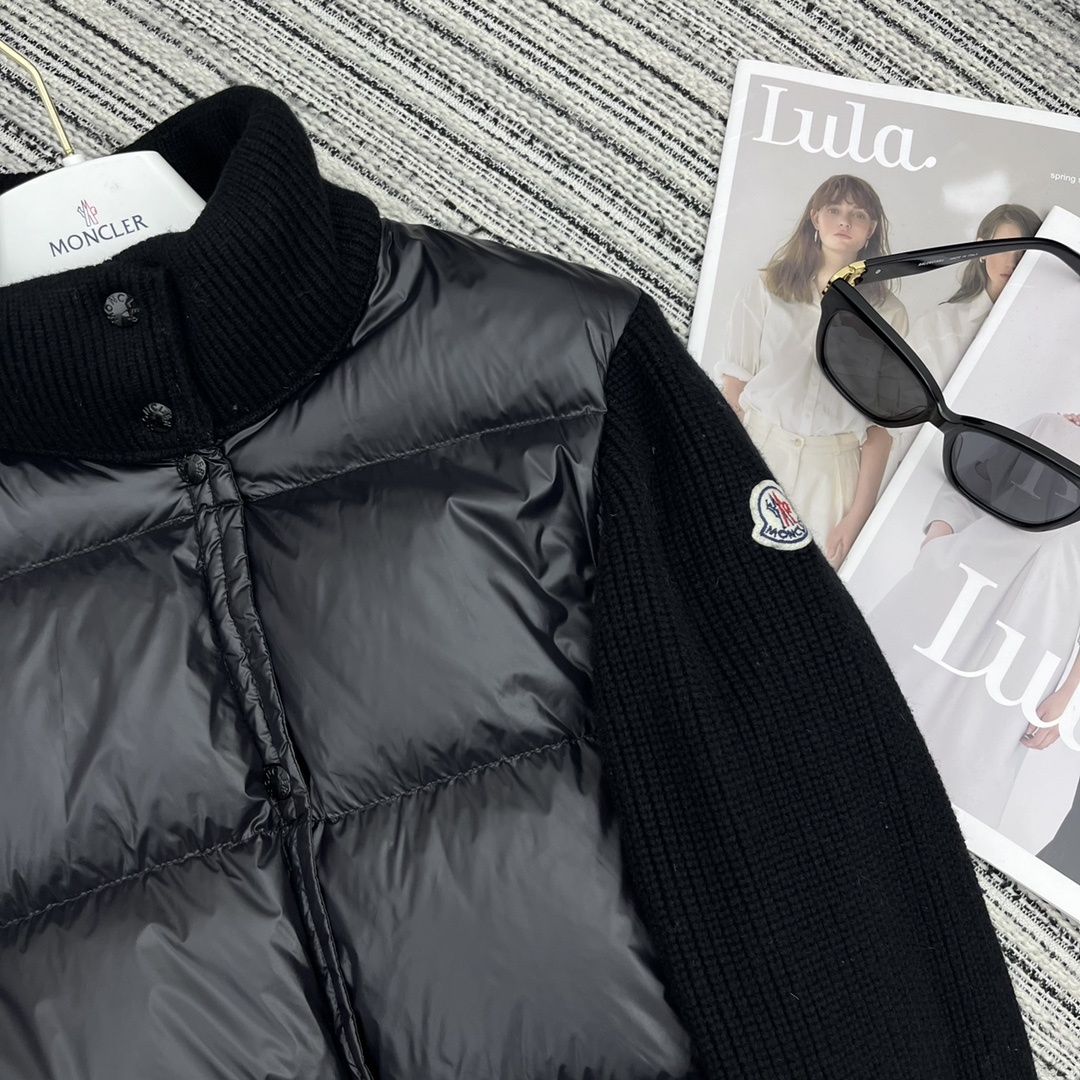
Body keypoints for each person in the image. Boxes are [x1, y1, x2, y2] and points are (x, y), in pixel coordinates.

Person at [867, 411, 1080, 832]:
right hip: (959, 586)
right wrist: (938, 540)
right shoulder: (1049, 427)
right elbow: (967, 480)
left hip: (1036, 637)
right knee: (888, 699)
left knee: (970, 769)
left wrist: (1067, 695)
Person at [713, 174, 908, 568]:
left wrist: (857, 515)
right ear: (815, 218)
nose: (845, 221)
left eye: (858, 215)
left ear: (870, 230)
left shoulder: (888, 314)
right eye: (834, 210)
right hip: (761, 450)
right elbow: (734, 383)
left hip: (832, 473)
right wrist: (733, 463)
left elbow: (881, 429)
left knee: (807, 593)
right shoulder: (767, 287)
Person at [881, 204, 1043, 488]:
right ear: (981, 250)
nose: (1013, 260)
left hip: (1003, 479)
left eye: (1024, 251)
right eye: (1004, 247)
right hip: (925, 470)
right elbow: (900, 411)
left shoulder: (1043, 338)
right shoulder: (940, 325)